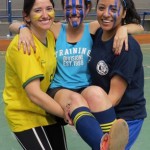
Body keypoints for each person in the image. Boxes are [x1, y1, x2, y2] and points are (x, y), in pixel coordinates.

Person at [3, 0, 68, 149]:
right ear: (27, 16)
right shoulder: (23, 45)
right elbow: (34, 94)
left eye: (49, 9)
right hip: (25, 116)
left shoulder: (51, 36)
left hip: (47, 112)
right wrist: (68, 115)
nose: (45, 15)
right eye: (38, 10)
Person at [88, 0, 147, 149]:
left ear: (124, 13)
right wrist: (23, 27)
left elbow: (114, 97)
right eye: (101, 8)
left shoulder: (126, 47)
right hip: (105, 111)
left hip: (125, 118)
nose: (106, 14)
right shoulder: (98, 32)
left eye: (113, 9)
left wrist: (83, 114)